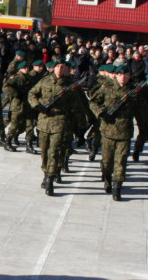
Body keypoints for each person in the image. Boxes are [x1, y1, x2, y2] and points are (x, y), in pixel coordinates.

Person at [28, 60, 81, 195]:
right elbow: (32, 94)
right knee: (44, 152)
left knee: (55, 151)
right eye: (57, 66)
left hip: (60, 122)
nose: (59, 69)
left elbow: (76, 105)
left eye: (62, 67)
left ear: (65, 69)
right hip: (44, 121)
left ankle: (50, 179)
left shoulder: (70, 85)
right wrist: (38, 106)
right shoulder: (45, 81)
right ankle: (46, 173)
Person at [88, 64, 141, 201]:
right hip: (107, 130)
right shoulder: (107, 88)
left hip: (125, 132)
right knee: (107, 162)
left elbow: (142, 112)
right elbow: (93, 102)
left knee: (121, 161)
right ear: (116, 75)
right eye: (120, 74)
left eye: (126, 74)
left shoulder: (134, 92)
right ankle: (107, 178)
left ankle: (117, 188)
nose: (123, 77)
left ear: (129, 76)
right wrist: (101, 113)